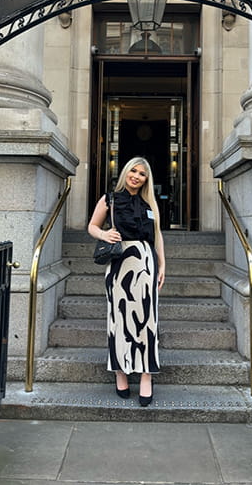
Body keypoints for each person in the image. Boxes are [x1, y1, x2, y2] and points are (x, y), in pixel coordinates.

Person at [87, 157, 166, 407]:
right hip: (120, 262)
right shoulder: (109, 198)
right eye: (133, 170)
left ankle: (146, 376)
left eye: (142, 173)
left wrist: (163, 265)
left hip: (145, 262)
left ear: (146, 179)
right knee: (118, 319)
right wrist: (104, 233)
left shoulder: (149, 203)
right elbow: (91, 226)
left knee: (147, 321)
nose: (136, 176)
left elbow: (158, 236)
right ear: (125, 172)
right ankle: (120, 372)